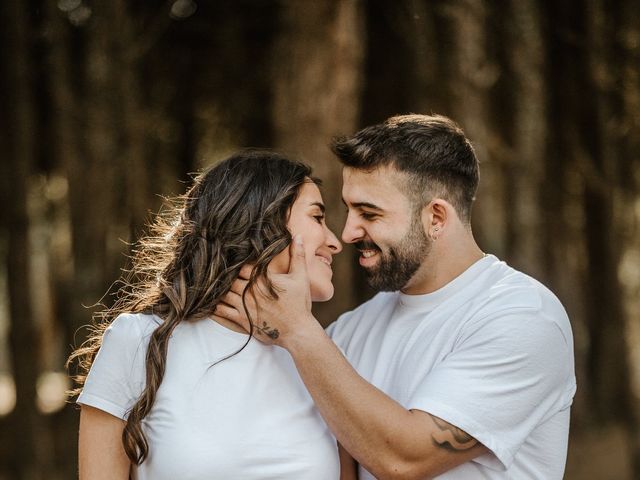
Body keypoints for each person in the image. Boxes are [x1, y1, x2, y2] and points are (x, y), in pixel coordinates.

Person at [217, 114, 577, 479]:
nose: (348, 233)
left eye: (368, 214)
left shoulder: (523, 317)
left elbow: (404, 460)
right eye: (348, 209)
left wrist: (298, 330)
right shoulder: (351, 330)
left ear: (436, 218)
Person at [67, 150, 356, 480]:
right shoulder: (138, 341)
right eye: (318, 217)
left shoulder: (325, 355)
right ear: (260, 223)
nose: (335, 242)